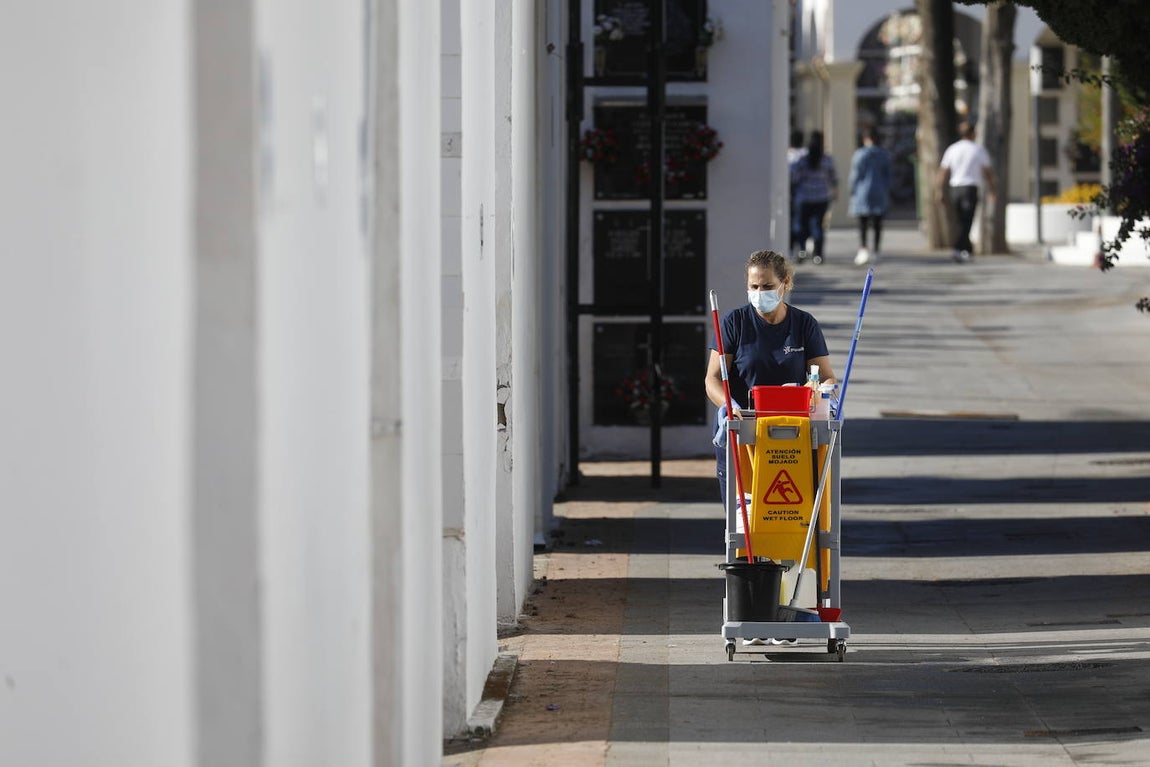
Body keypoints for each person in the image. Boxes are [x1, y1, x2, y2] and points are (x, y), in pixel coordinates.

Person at [704, 250, 837, 503]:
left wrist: (818, 389)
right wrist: (729, 405)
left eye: (767, 286)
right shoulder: (735, 323)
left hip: (791, 435)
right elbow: (712, 379)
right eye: (753, 286)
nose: (759, 292)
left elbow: (827, 376)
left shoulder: (804, 324)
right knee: (743, 527)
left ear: (785, 283)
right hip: (743, 432)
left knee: (788, 512)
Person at [936, 120, 997, 263]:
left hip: (955, 188)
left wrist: (939, 190)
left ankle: (967, 251)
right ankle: (959, 249)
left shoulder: (952, 149)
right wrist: (992, 189)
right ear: (973, 133)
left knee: (961, 221)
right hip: (970, 188)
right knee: (967, 221)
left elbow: (943, 172)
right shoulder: (978, 150)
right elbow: (988, 172)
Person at [790, 131, 838, 264]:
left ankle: (802, 251)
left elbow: (794, 176)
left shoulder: (802, 159)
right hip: (821, 197)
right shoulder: (827, 159)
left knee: (801, 225)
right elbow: (834, 178)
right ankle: (818, 254)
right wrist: (834, 191)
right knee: (818, 225)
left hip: (803, 198)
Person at [848, 125, 892, 266]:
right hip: (879, 192)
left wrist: (852, 190)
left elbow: (855, 175)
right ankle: (877, 251)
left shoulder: (860, 154)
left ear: (865, 138)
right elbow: (889, 176)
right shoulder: (884, 154)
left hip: (862, 193)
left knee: (863, 223)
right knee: (878, 224)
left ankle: (863, 249)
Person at [787, 129, 806, 260]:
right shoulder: (806, 154)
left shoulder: (788, 154)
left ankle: (791, 247)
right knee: (802, 222)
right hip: (806, 193)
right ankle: (801, 247)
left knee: (793, 221)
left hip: (793, 191)